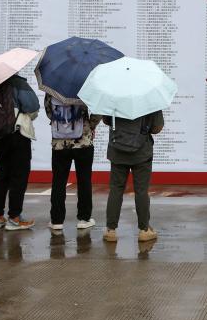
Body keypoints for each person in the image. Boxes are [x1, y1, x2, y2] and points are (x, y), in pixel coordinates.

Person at [102, 108, 164, 243]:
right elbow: (157, 127)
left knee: (116, 189)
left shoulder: (113, 98)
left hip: (117, 149)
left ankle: (111, 230)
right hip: (141, 152)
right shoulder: (150, 99)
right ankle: (144, 230)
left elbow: (106, 120)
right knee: (141, 191)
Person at [0, 74, 40, 231]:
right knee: (19, 176)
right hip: (18, 134)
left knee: (2, 175)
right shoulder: (18, 83)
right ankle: (14, 218)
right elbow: (33, 106)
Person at [45, 94, 102, 232]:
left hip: (59, 143)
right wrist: (90, 125)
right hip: (83, 142)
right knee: (84, 180)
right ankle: (84, 219)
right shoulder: (85, 87)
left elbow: (49, 111)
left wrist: (62, 123)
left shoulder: (52, 89)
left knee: (58, 181)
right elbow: (98, 109)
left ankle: (57, 220)